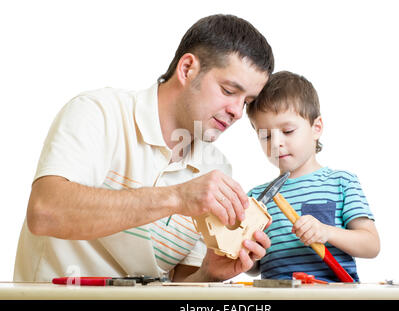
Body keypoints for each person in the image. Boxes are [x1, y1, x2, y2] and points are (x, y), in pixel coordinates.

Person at [14, 14, 274, 283]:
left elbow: (177, 288)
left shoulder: (216, 168)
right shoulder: (99, 113)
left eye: (247, 101)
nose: (237, 112)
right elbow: (45, 212)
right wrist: (176, 198)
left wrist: (207, 273)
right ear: (187, 69)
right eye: (229, 90)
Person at [246, 71, 380, 282]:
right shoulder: (255, 197)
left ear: (316, 128)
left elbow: (371, 245)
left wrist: (327, 232)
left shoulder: (342, 182)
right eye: (265, 135)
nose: (276, 143)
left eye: (288, 131)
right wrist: (246, 252)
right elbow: (254, 267)